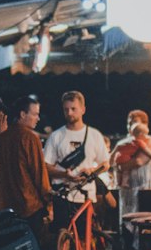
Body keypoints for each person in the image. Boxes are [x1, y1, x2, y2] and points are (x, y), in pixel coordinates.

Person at [0, 94, 52, 243]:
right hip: (29, 207)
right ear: (22, 114)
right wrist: (48, 202)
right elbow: (39, 173)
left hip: (4, 207)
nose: (38, 118)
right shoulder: (30, 138)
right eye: (35, 114)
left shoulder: (2, 138)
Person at [43, 90, 109, 224]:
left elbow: (105, 163)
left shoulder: (94, 135)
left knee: (85, 236)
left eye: (73, 109)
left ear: (83, 109)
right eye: (66, 109)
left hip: (86, 195)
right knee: (63, 234)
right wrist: (63, 174)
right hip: (62, 194)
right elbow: (45, 166)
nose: (69, 113)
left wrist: (91, 171)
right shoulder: (56, 136)